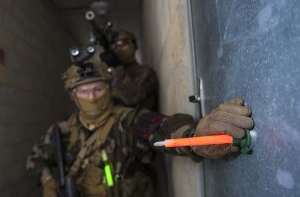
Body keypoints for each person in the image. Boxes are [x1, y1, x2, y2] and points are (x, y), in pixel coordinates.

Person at [26, 60, 254, 197]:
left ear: (109, 89)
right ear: (73, 96)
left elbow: (160, 127)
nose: (92, 97)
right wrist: (48, 182)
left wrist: (194, 137)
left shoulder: (127, 120)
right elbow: (35, 159)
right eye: (83, 91)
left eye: (98, 89)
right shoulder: (64, 130)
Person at [101, 30, 158, 111]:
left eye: (123, 44)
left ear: (134, 46)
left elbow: (132, 98)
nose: (118, 49)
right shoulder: (110, 74)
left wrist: (117, 67)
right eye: (114, 46)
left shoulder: (144, 72)